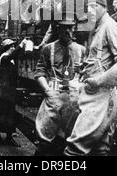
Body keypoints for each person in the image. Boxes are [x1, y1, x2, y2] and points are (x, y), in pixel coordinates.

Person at [64, 0, 117, 156]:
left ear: (104, 6)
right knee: (99, 150)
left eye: (94, 6)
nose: (90, 11)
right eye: (87, 7)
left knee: (74, 150)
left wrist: (98, 81)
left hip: (101, 97)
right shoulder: (96, 29)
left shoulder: (110, 26)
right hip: (97, 97)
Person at [34, 10, 86, 156]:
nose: (67, 31)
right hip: (54, 97)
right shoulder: (48, 49)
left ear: (74, 28)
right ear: (58, 28)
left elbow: (87, 76)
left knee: (70, 142)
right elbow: (40, 73)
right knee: (45, 141)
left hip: (74, 100)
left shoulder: (82, 50)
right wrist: (47, 91)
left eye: (70, 27)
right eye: (64, 27)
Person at [0, 38, 25, 146]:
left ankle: (8, 137)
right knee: (1, 113)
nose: (13, 48)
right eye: (12, 46)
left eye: (14, 46)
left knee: (9, 114)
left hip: (9, 90)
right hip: (3, 90)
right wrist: (21, 45)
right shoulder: (4, 57)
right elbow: (11, 56)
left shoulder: (10, 59)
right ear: (7, 48)